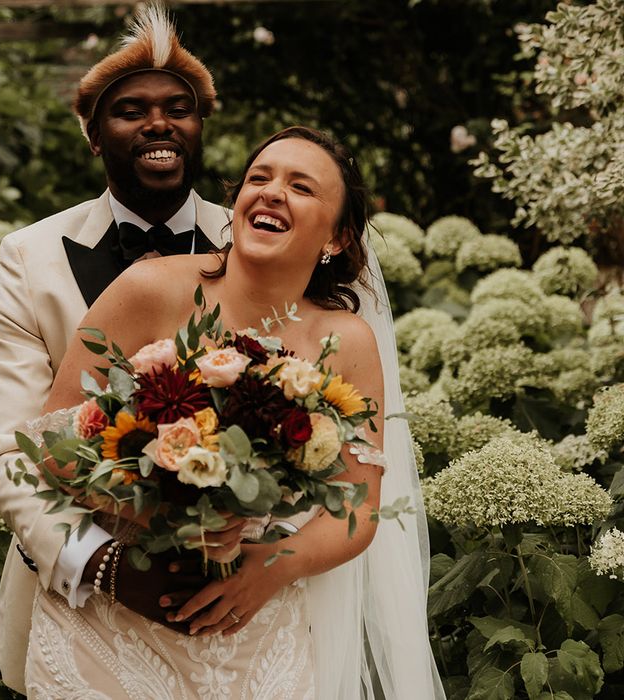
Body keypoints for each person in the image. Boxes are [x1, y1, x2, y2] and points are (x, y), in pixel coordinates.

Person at [25, 126, 446, 699]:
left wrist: (273, 565)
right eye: (259, 179)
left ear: (339, 237)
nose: (271, 192)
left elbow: (358, 506)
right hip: (117, 610)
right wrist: (169, 517)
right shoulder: (149, 288)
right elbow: (54, 443)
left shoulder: (345, 342)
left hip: (253, 625)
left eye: (301, 187)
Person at [0, 6, 234, 694]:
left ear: (200, 129)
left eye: (180, 108)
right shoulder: (30, 258)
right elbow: (4, 449)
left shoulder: (252, 242)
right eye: (131, 110)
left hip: (233, 613)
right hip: (69, 613)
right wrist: (106, 565)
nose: (159, 123)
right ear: (93, 136)